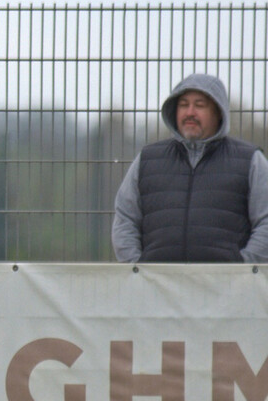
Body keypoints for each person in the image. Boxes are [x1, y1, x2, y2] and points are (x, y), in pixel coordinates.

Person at [112, 73, 268, 263]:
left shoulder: (251, 160)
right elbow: (125, 218)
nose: (190, 113)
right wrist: (136, 268)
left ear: (218, 112)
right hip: (156, 288)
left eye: (200, 105)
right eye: (183, 105)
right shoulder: (146, 159)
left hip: (226, 290)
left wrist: (242, 270)